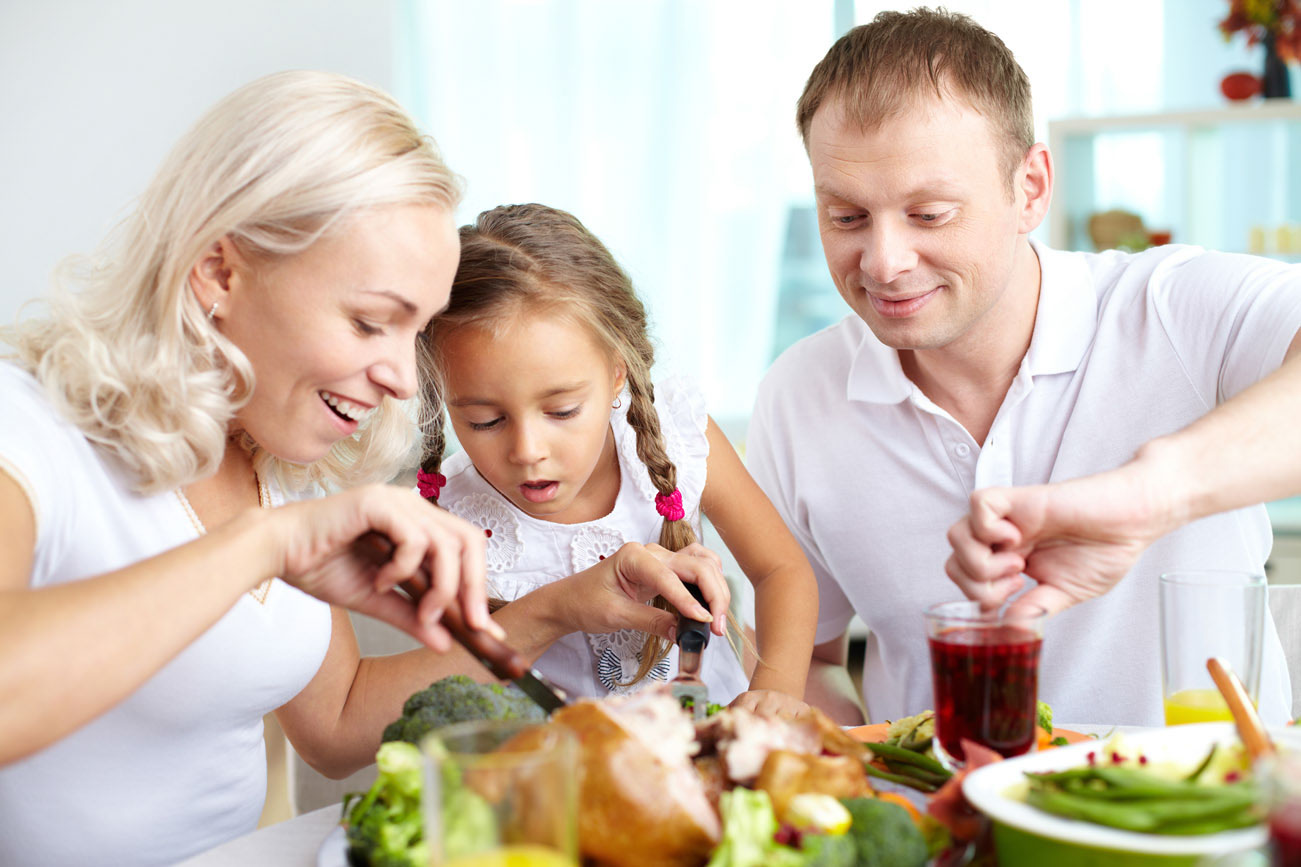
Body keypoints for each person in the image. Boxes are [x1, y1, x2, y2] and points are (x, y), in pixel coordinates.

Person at [0, 73, 726, 867]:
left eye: (410, 333)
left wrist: (556, 610)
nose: (404, 383)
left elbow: (340, 721)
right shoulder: (29, 427)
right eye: (370, 322)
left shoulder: (281, 462)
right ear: (219, 271)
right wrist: (261, 544)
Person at [747, 8, 1300, 728]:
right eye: (847, 217)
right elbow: (811, 661)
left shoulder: (1168, 307)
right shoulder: (798, 395)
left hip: (1209, 829)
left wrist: (1146, 495)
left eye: (929, 214)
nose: (882, 262)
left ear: (1030, 188)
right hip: (943, 832)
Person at [416, 203, 819, 717]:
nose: (527, 451)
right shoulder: (439, 520)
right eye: (485, 422)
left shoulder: (677, 438)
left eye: (561, 411)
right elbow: (452, 693)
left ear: (617, 373)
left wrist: (775, 693)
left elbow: (782, 569)